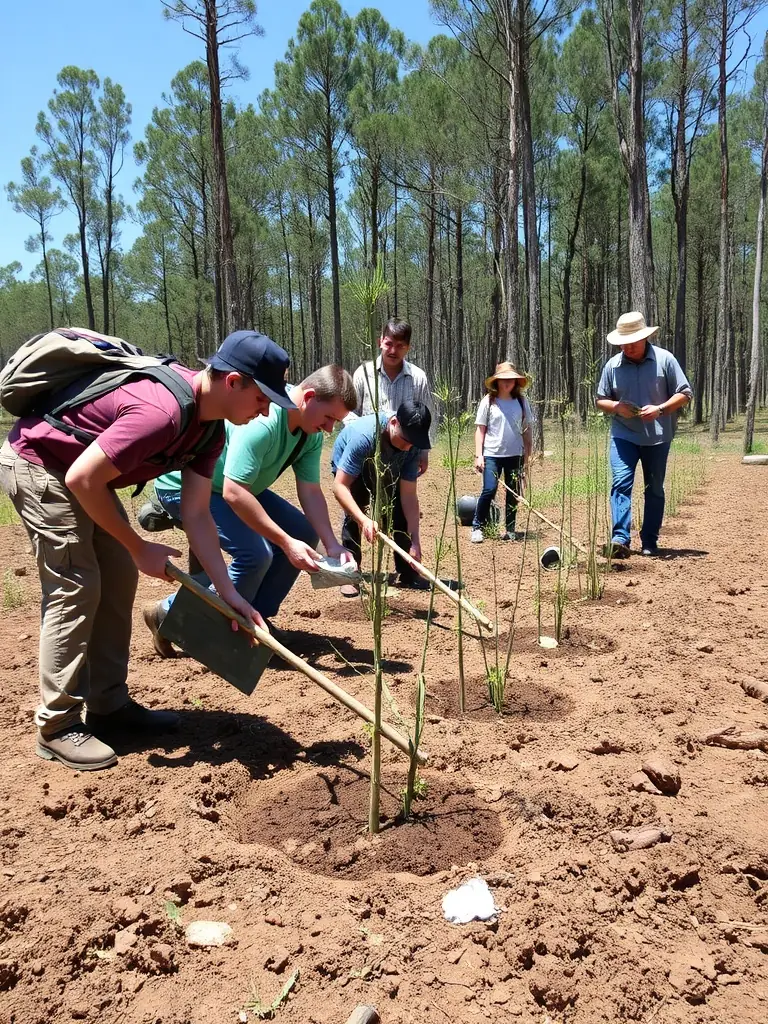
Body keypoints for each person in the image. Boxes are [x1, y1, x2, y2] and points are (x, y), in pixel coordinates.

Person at [0, 328, 292, 771]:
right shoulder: (161, 411)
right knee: (76, 583)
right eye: (262, 398)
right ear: (233, 382)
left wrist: (231, 597)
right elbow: (82, 480)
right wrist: (138, 545)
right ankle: (57, 726)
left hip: (81, 473)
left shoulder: (209, 430)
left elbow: (197, 516)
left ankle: (109, 708)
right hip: (41, 464)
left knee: (118, 577)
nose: (266, 410)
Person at [143, 365, 358, 654]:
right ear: (308, 397)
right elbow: (233, 492)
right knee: (255, 555)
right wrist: (284, 542)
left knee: (303, 532)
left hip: (235, 487)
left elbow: (310, 491)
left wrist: (331, 544)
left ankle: (256, 619)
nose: (330, 428)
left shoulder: (310, 433)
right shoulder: (266, 423)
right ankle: (167, 614)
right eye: (329, 417)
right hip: (188, 487)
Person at [596, 311, 693, 558]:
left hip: (658, 437)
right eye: (622, 343)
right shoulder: (613, 366)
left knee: (654, 488)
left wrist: (660, 409)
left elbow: (685, 393)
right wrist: (617, 407)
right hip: (623, 435)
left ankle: (650, 540)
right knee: (620, 482)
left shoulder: (665, 360)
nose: (627, 347)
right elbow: (600, 400)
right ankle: (620, 538)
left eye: (632, 342)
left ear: (645, 338)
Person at [331, 400, 432, 597]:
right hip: (353, 470)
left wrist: (415, 542)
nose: (407, 447)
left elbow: (409, 496)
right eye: (404, 439)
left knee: (399, 511)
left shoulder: (411, 447)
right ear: (394, 423)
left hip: (388, 467)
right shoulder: (364, 437)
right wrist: (364, 520)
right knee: (355, 510)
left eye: (412, 443)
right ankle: (350, 573)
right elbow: (340, 486)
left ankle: (408, 571)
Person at [351, 319, 436, 477]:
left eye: (400, 346)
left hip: (405, 453)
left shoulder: (417, 377)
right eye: (389, 344)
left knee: (402, 499)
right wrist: (355, 446)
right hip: (368, 452)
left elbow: (425, 418)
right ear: (380, 342)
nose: (393, 351)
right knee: (366, 499)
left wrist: (424, 452)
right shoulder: (362, 374)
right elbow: (351, 415)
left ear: (408, 348)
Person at [470, 362, 532, 544]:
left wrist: (528, 457)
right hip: (492, 454)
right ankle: (477, 526)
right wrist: (479, 455)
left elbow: (527, 429)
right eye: (503, 379)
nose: (507, 383)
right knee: (489, 490)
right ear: (496, 381)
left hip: (515, 455)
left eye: (510, 380)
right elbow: (480, 430)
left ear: (515, 382)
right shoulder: (488, 401)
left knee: (513, 493)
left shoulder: (521, 402)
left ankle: (510, 529)